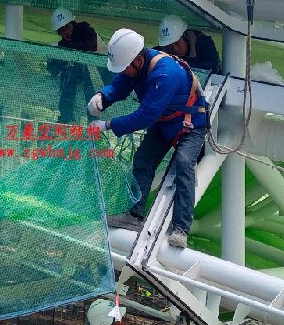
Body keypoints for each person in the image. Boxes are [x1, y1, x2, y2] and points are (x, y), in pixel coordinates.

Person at [88, 28, 209, 248]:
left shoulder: (164, 74)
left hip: (191, 125)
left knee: (184, 163)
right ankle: (134, 215)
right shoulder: (138, 66)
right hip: (165, 123)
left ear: (137, 60)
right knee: (143, 160)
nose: (123, 72)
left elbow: (145, 116)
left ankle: (181, 228)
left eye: (125, 68)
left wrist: (107, 125)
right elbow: (121, 84)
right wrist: (102, 96)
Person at [48, 7, 105, 122]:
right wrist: (53, 56)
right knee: (69, 69)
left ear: (72, 24)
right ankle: (66, 116)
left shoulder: (88, 32)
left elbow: (86, 49)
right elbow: (53, 69)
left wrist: (62, 51)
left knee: (79, 66)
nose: (66, 32)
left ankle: (92, 118)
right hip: (81, 72)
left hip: (102, 71)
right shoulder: (64, 44)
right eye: (62, 30)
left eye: (67, 28)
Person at [155, 16, 220, 75]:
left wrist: (179, 65)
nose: (175, 49)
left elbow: (212, 67)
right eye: (169, 46)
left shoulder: (203, 43)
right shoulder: (163, 49)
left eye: (177, 43)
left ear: (185, 36)